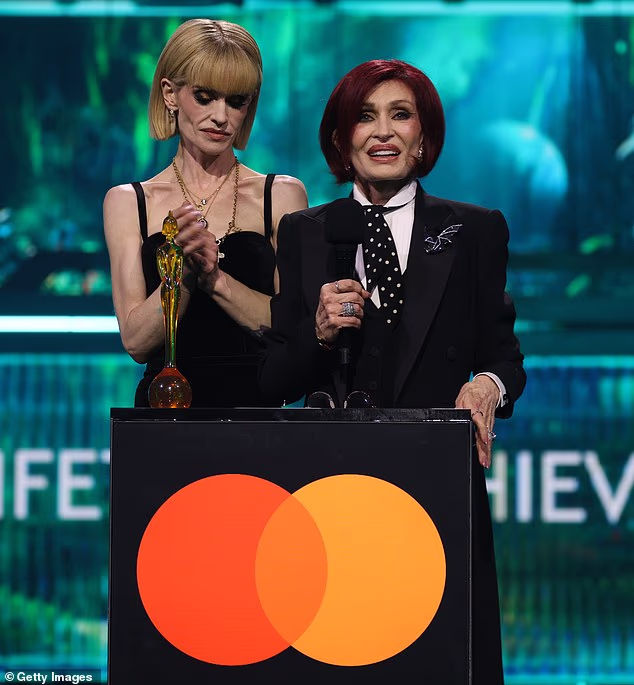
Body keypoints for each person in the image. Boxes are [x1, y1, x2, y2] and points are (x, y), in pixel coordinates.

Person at [260, 59, 526, 683]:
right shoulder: (304, 233)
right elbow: (273, 380)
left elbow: (504, 358)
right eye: (365, 117)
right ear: (340, 140)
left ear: (423, 137)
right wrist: (318, 334)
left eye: (400, 115)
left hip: (436, 488)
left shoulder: (474, 230)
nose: (383, 131)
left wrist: (486, 387)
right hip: (331, 494)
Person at [103, 18, 307, 407]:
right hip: (166, 412)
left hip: (257, 412)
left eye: (236, 101)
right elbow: (136, 341)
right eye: (205, 96)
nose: (221, 117)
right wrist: (182, 276)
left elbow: (293, 328)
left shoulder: (280, 195)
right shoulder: (129, 201)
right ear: (170, 94)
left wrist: (213, 278)